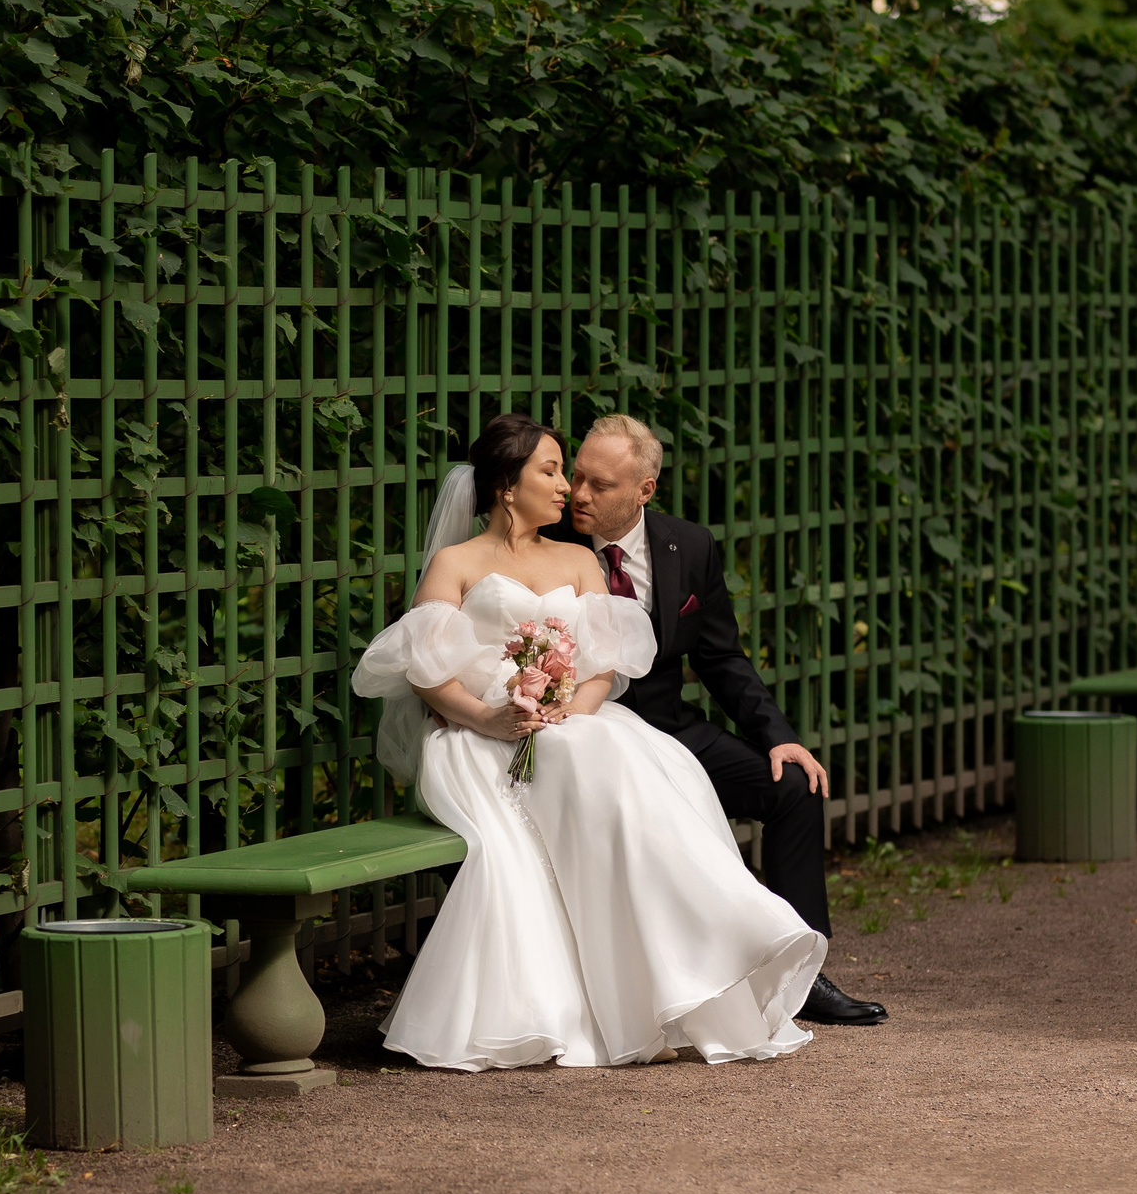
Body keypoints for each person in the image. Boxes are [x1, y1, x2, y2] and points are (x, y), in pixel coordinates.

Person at [353, 414, 825, 1069]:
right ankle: (644, 980)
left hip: (575, 722)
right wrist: (492, 717)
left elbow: (604, 664)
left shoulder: (577, 559)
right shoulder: (455, 563)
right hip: (478, 735)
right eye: (552, 470)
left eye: (573, 473)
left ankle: (718, 941)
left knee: (639, 772)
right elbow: (428, 673)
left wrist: (568, 709)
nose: (567, 488)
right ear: (505, 486)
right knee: (599, 766)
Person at [554, 413, 888, 1026]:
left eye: (599, 485)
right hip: (586, 743)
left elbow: (721, 658)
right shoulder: (548, 543)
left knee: (794, 788)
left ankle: (802, 971)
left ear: (643, 491)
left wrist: (780, 738)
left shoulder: (690, 545)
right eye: (577, 477)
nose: (578, 494)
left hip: (671, 732)